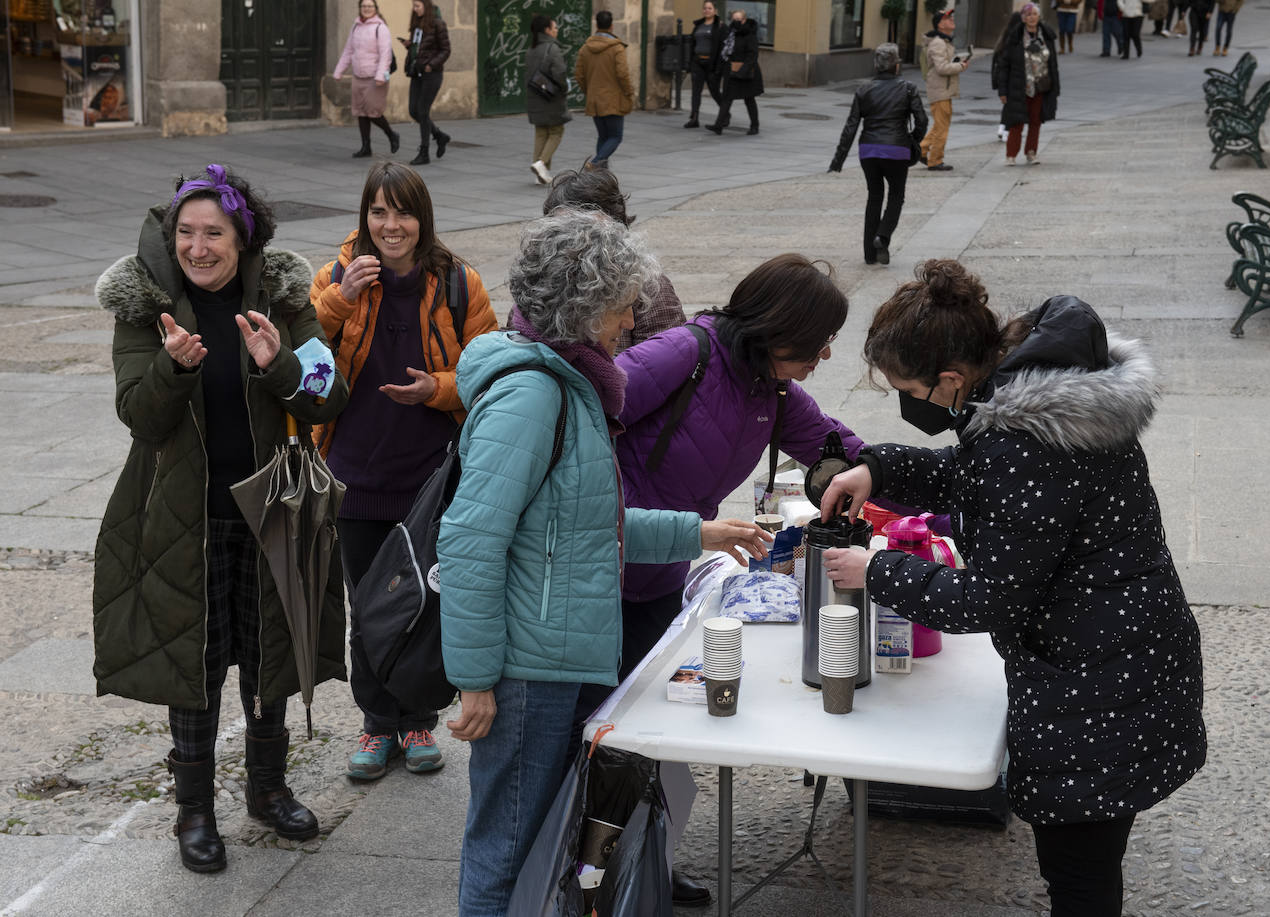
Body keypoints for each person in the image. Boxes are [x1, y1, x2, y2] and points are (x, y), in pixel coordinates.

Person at [819, 258, 1206, 917]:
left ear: (949, 378)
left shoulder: (1024, 440)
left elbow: (988, 599)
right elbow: (979, 478)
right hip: (1124, 655)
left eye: (908, 389)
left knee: (1078, 876)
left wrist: (876, 570)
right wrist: (877, 468)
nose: (908, 403)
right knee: (1084, 865)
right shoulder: (1030, 393)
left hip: (1099, 683)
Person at [437, 207, 769, 917]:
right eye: (624, 302)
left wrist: (700, 534)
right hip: (528, 670)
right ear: (586, 304)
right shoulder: (535, 393)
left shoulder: (571, 384)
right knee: (507, 848)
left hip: (556, 658)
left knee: (541, 847)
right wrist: (473, 679)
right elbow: (469, 539)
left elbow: (589, 526)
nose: (633, 318)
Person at [93, 164, 351, 874]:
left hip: (272, 512)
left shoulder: (286, 297)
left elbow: (327, 399)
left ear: (244, 238)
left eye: (213, 233)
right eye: (186, 232)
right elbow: (138, 417)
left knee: (270, 654)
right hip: (185, 516)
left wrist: (280, 366)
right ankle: (195, 812)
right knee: (196, 665)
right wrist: (172, 370)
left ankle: (268, 789)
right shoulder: (145, 306)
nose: (197, 247)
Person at [590, 252, 865, 906]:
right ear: (780, 328)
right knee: (594, 739)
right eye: (820, 341)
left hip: (658, 578)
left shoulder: (770, 390)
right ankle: (584, 878)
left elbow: (836, 445)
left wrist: (913, 484)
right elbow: (579, 422)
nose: (826, 356)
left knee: (649, 739)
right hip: (595, 577)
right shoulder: (683, 354)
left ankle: (640, 863)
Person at [309, 161, 499, 782]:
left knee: (426, 601)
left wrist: (439, 389)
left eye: (403, 212)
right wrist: (339, 301)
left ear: (423, 219)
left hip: (430, 480)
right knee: (365, 606)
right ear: (364, 217)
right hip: (354, 473)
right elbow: (298, 362)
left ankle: (417, 716)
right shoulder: (333, 278)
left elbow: (491, 374)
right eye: (378, 212)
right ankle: (376, 723)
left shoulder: (458, 283)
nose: (391, 226)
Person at [540, 167, 687, 352]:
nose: (573, 240)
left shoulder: (647, 286)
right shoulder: (539, 282)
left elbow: (666, 365)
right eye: (560, 231)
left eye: (587, 231)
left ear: (616, 229)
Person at [829, 43, 928, 265]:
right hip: (897, 149)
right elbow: (922, 120)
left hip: (869, 151)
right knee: (896, 196)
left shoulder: (864, 89)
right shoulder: (908, 88)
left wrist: (838, 159)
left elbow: (851, 126)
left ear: (876, 65)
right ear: (896, 66)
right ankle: (882, 237)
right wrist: (912, 139)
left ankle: (869, 254)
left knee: (874, 196)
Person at [333, 0, 401, 158]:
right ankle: (366, 147)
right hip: (358, 76)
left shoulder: (380, 28)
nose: (366, 9)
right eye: (364, 6)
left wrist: (380, 76)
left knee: (374, 112)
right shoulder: (355, 26)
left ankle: (391, 134)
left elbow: (386, 55)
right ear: (360, 8)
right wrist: (339, 70)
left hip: (375, 77)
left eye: (370, 6)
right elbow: (348, 50)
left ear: (375, 9)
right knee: (360, 112)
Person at [994, 3, 1059, 166]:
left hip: (1041, 86)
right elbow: (1004, 65)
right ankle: (1011, 155)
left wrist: (1056, 86)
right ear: (1023, 18)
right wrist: (1002, 90)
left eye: (1034, 14)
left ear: (1039, 16)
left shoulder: (1046, 36)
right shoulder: (1014, 37)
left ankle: (1031, 152)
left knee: (1036, 121)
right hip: (1019, 86)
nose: (1031, 18)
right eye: (1028, 15)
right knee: (1016, 121)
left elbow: (1053, 64)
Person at [574, 10, 634, 168]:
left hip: (594, 99)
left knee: (603, 136)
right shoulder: (617, 48)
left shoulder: (585, 48)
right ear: (612, 26)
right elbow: (623, 74)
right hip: (613, 99)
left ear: (597, 25)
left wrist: (589, 90)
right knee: (615, 136)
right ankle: (595, 164)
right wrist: (629, 92)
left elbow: (578, 74)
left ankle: (600, 174)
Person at [398, 0, 451, 165]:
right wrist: (410, 45)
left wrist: (431, 65)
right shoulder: (417, 23)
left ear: (426, 7)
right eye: (413, 6)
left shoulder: (438, 24)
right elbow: (422, 47)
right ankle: (439, 136)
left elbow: (446, 50)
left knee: (422, 111)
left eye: (417, 6)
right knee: (414, 110)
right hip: (416, 72)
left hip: (431, 74)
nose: (414, 9)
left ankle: (424, 152)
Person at [920, 12, 969, 171]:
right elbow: (941, 68)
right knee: (942, 127)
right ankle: (935, 160)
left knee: (940, 124)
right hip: (939, 90)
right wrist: (960, 66)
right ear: (940, 24)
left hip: (943, 90)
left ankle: (922, 149)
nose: (952, 20)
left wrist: (957, 63)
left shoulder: (943, 41)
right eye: (948, 19)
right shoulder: (938, 43)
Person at [526, 14, 571, 184]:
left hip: (535, 95)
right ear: (547, 30)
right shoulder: (552, 48)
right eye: (554, 28)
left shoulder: (531, 49)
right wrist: (564, 88)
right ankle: (541, 163)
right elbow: (559, 73)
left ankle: (541, 172)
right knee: (556, 131)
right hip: (551, 96)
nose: (556, 30)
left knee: (541, 131)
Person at [707, 9, 764, 135]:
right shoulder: (731, 34)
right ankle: (718, 125)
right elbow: (726, 53)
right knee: (727, 98)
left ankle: (755, 126)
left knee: (749, 99)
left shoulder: (750, 35)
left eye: (738, 19)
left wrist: (742, 71)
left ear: (744, 20)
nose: (736, 22)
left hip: (747, 72)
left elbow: (752, 56)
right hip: (732, 71)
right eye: (734, 19)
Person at [683, 1, 727, 128]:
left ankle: (725, 114)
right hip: (697, 62)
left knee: (714, 91)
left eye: (709, 8)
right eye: (705, 8)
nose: (707, 10)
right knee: (696, 91)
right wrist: (690, 62)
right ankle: (694, 118)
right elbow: (693, 44)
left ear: (715, 11)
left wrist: (719, 66)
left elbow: (723, 47)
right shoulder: (699, 25)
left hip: (711, 64)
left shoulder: (720, 26)